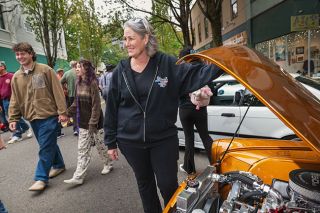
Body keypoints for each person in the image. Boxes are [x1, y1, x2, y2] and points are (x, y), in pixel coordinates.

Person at [104, 18, 223, 212]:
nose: (127, 44)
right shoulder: (121, 71)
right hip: (130, 141)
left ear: (145, 38)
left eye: (131, 38)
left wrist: (224, 63)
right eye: (125, 39)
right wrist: (110, 141)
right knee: (145, 184)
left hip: (163, 139)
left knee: (168, 185)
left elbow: (194, 74)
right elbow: (111, 107)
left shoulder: (166, 63)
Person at [9, 42, 68, 191]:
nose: (20, 57)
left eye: (22, 53)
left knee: (45, 146)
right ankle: (59, 165)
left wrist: (62, 112)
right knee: (47, 144)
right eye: (17, 54)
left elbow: (58, 92)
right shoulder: (16, 77)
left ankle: (41, 178)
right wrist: (13, 118)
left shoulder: (45, 70)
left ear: (30, 53)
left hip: (48, 115)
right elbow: (15, 99)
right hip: (32, 117)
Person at [63, 59, 113, 185]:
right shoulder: (77, 82)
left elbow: (96, 105)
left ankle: (107, 163)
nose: (77, 69)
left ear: (86, 68)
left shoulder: (93, 83)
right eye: (76, 67)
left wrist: (93, 123)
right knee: (82, 148)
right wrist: (66, 113)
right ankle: (79, 176)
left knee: (101, 145)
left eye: (79, 67)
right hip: (83, 121)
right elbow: (76, 102)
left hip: (96, 122)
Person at [178, 47, 214, 175]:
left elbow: (176, 89)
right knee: (205, 136)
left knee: (189, 138)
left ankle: (190, 168)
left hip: (185, 109)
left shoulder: (181, 69)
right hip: (201, 108)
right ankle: (215, 166)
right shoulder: (204, 67)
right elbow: (211, 87)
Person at [0, 61, 33, 144]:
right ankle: (25, 128)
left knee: (13, 117)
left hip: (12, 99)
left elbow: (17, 88)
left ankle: (18, 134)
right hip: (4, 101)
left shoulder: (11, 76)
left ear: (3, 67)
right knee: (11, 117)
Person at [61, 61, 78, 135]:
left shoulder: (67, 73)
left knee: (74, 112)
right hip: (81, 94)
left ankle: (76, 129)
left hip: (71, 95)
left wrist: (65, 89)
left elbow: (60, 82)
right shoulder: (80, 71)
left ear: (71, 66)